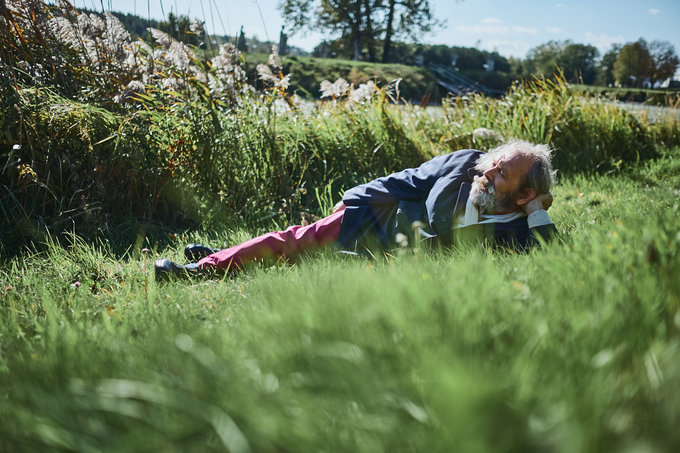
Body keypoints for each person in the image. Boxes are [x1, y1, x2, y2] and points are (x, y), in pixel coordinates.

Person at [155, 139, 556, 280]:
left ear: (523, 196)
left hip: (394, 265)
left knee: (305, 263)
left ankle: (221, 256)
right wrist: (354, 197)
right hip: (380, 219)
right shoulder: (466, 162)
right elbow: (409, 180)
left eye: (502, 174)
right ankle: (200, 271)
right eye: (495, 161)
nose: (487, 171)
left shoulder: (518, 230)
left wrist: (538, 211)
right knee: (296, 242)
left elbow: (552, 254)